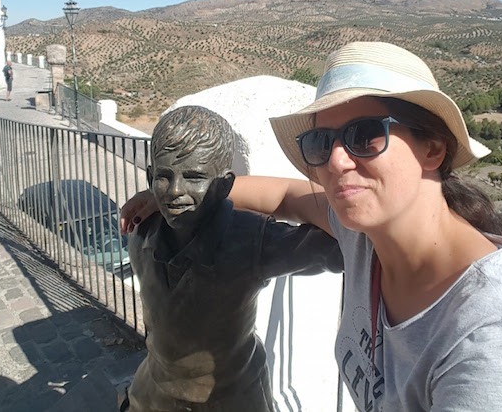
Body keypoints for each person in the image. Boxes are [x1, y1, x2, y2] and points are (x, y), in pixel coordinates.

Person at [122, 42, 502, 411]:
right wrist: (178, 193)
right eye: (321, 141)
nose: (337, 160)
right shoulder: (363, 236)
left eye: (366, 135)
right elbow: (286, 195)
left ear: (433, 149)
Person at [125, 105, 342, 412]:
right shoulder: (141, 230)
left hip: (232, 400)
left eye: (194, 177)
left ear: (224, 185)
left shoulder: (251, 241)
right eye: (163, 177)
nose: (174, 191)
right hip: (153, 395)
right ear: (149, 177)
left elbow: (346, 237)